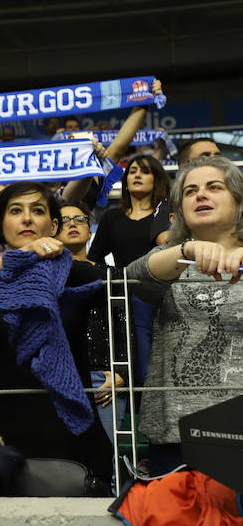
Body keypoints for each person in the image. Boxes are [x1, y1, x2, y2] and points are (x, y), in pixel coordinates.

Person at [0, 182, 112, 487]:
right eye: (15, 211)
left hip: (67, 427)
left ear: (53, 225)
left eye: (37, 211)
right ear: (0, 225)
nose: (26, 219)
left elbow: (119, 291)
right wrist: (13, 259)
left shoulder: (78, 276)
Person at [126, 155, 243, 475]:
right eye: (190, 191)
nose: (200, 195)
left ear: (239, 200)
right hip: (177, 431)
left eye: (214, 187)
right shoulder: (170, 259)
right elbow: (133, 278)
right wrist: (186, 251)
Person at [88, 153, 171, 383]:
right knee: (137, 363)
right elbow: (94, 257)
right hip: (124, 298)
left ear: (157, 179)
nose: (136, 175)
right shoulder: (112, 217)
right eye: (132, 171)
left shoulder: (165, 214)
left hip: (163, 294)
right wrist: (113, 280)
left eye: (145, 172)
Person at [57, 203, 130, 447]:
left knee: (108, 459)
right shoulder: (43, 276)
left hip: (104, 378)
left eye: (79, 218)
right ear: (52, 229)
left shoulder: (113, 274)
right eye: (64, 219)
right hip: (58, 376)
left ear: (90, 230)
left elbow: (125, 324)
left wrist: (123, 374)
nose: (73, 223)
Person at [150, 137, 221, 246]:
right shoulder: (171, 200)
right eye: (204, 156)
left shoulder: (236, 195)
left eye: (217, 156)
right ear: (184, 166)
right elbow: (164, 240)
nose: (214, 160)